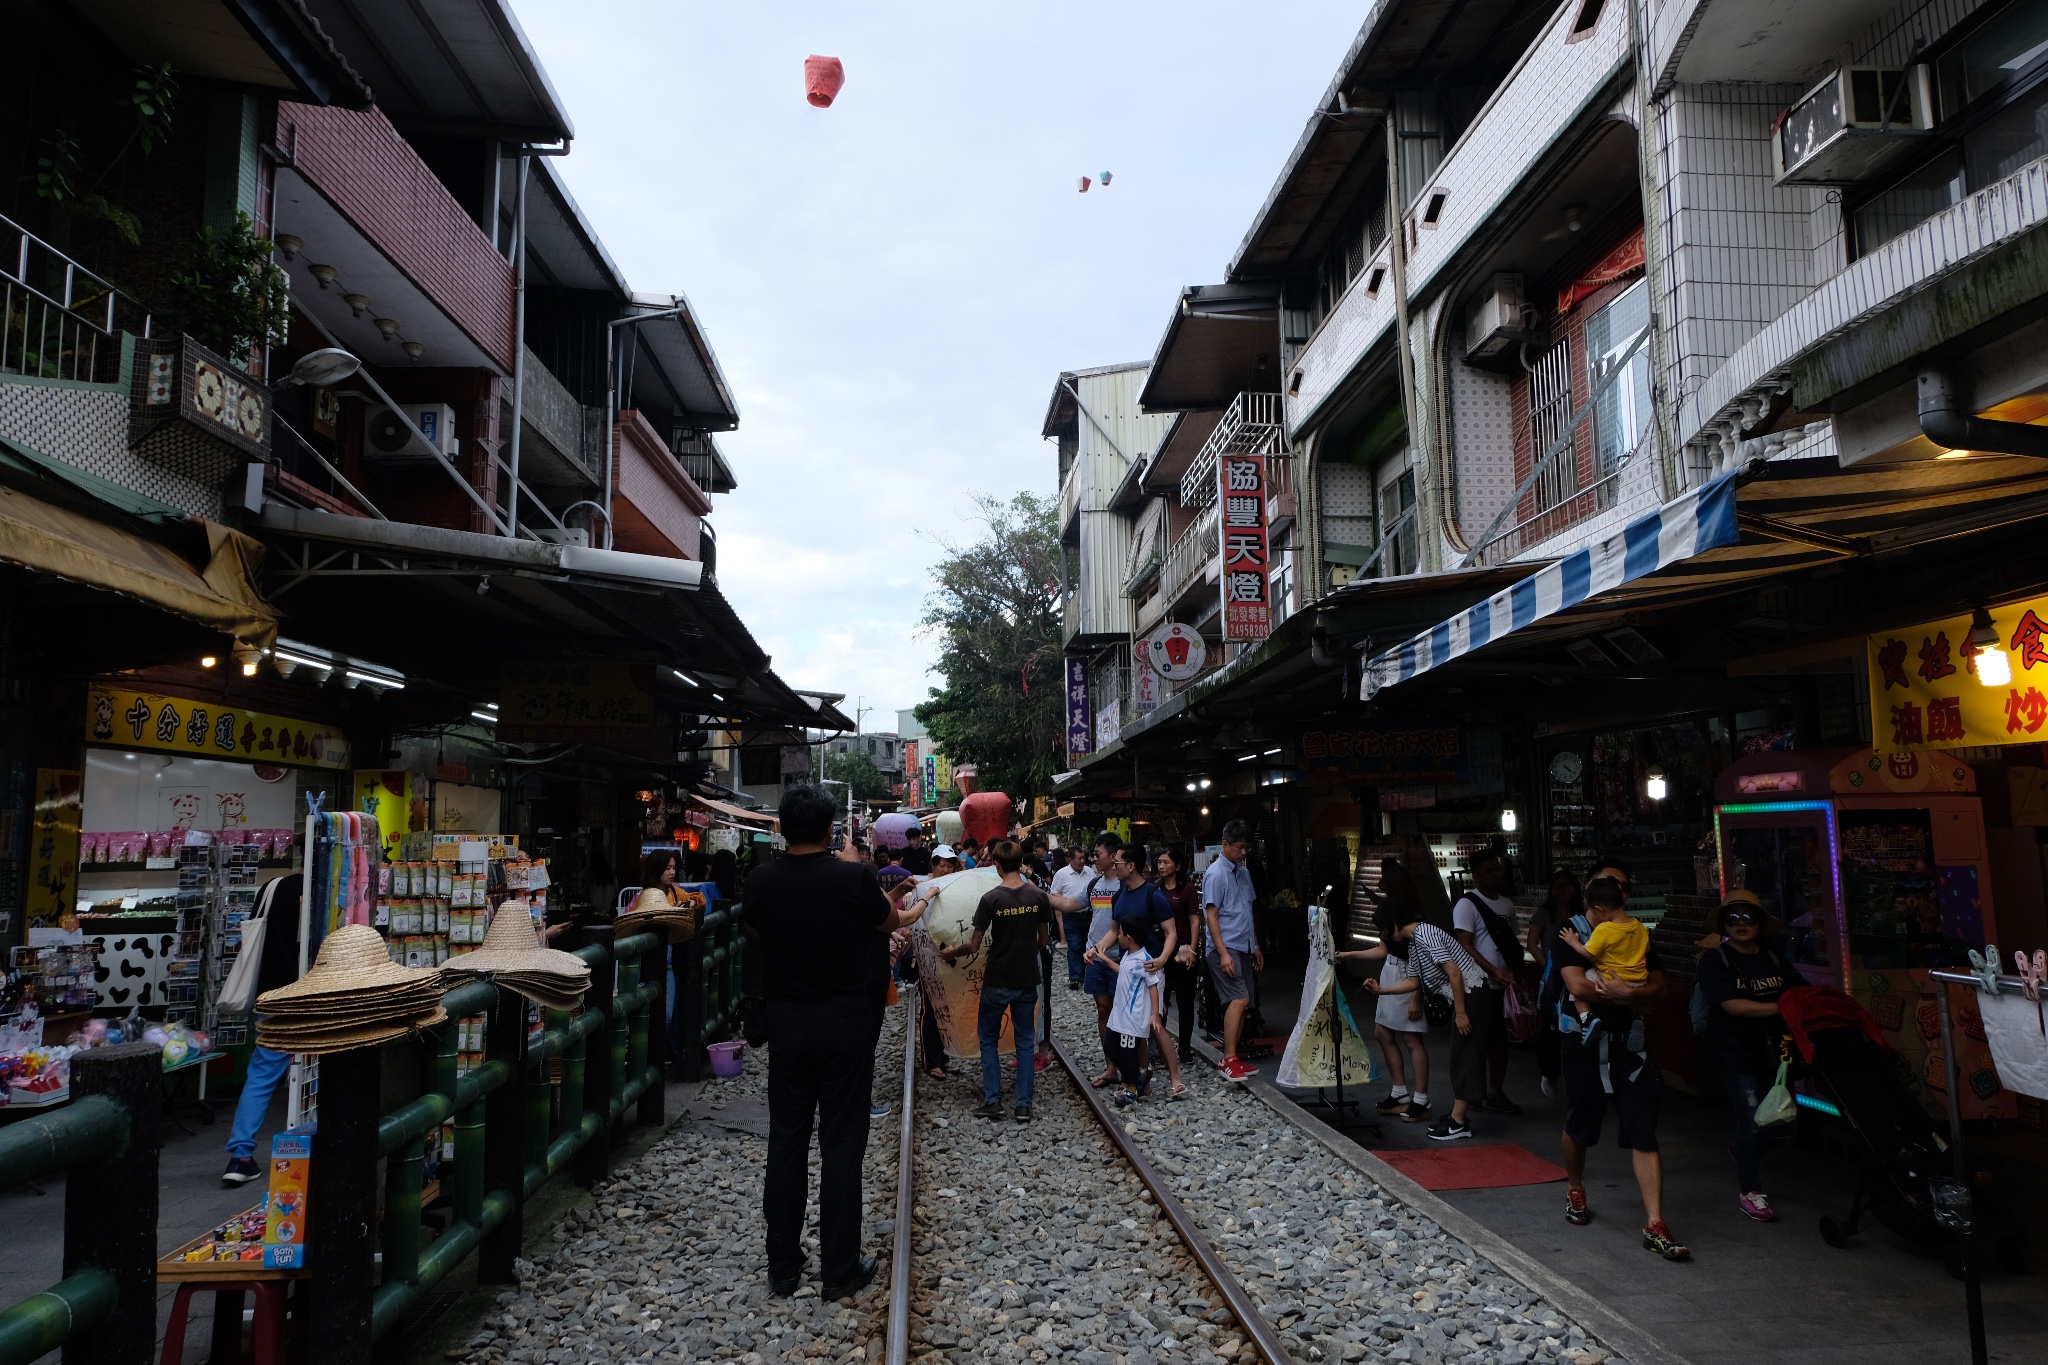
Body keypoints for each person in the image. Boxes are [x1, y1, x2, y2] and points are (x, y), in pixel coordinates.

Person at [747, 785, 926, 1300]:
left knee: (787, 1138)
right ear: (831, 830)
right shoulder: (852, 879)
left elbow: (757, 931)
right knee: (842, 1141)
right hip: (844, 1020)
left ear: (780, 827)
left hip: (786, 1021)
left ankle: (782, 1265)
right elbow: (890, 923)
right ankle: (839, 1267)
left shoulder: (761, 880)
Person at [1550, 874, 1687, 1260]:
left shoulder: (1635, 933)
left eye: (1625, 886)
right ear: (1595, 903)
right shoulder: (1569, 931)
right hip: (1582, 1046)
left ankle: (1655, 1222)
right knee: (1579, 1125)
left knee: (1644, 1130)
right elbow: (1577, 986)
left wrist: (1632, 994)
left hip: (1631, 1049)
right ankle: (1575, 1188)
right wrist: (1630, 998)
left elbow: (1660, 984)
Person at [1694, 890, 1798, 1222]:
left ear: (1760, 924)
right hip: (1736, 1054)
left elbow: (1800, 991)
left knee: (1785, 1126)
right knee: (1752, 1124)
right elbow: (1733, 1006)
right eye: (1733, 919)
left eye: (1748, 918)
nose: (1740, 924)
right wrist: (1781, 1007)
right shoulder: (1715, 960)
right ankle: (1751, 1191)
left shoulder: (1773, 957)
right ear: (1725, 925)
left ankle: (1743, 1150)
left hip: (1776, 1054)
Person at [1348, 900, 1487, 1140]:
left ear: (1393, 923)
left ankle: (1459, 1122)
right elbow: (1414, 981)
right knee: (1461, 1055)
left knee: (1464, 1055)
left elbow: (1454, 972)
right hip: (1464, 995)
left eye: (1382, 928)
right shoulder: (1415, 942)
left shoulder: (1425, 933)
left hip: (1471, 993)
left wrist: (1462, 1013)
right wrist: (1381, 991)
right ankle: (1457, 1118)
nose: (1383, 934)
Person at [939, 839, 1053, 1122]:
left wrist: (952, 951)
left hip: (997, 979)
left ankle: (993, 1101)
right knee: (1026, 1041)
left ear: (998, 865)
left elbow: (974, 945)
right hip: (1027, 979)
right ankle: (1023, 1105)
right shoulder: (1037, 896)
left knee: (988, 1039)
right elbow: (1043, 940)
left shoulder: (991, 899)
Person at [222, 873, 304, 1185]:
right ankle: (311, 1151)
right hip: (315, 995)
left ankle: (240, 1156)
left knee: (261, 1074)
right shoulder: (328, 885)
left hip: (269, 995)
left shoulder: (272, 887)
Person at [1089, 843, 1183, 1099]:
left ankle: (1175, 1078)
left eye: (1118, 862)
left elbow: (1171, 933)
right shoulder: (1118, 895)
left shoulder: (1154, 895)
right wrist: (1097, 949)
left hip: (1151, 970)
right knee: (1134, 1029)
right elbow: (1112, 930)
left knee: (1155, 1026)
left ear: (1130, 866)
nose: (1114, 866)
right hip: (1128, 972)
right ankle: (1144, 1078)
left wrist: (1162, 959)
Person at [1450, 849, 1523, 1115]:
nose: (1497, 874)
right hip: (1478, 984)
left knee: (1499, 1041)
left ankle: (1495, 1091)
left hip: (1503, 984)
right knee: (1475, 1040)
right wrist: (1492, 970)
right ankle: (1473, 1094)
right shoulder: (1466, 904)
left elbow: (1512, 941)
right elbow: (1464, 944)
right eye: (1491, 870)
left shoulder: (1506, 905)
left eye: (1499, 869)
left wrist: (1515, 974)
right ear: (1477, 875)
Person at [1363, 882, 1431, 1123]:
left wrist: (1416, 997)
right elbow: (1385, 949)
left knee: (1412, 1038)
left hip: (1407, 979)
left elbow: (1425, 967)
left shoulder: (1417, 928)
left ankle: (1421, 1099)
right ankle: (1400, 1093)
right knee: (1382, 1033)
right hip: (1393, 975)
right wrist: (1349, 955)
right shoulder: (1393, 917)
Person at [1203, 821, 1264, 1082]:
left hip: (1242, 944)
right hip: (1224, 946)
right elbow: (1211, 916)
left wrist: (1256, 946)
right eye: (1240, 847)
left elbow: (1247, 911)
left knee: (1244, 1002)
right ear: (1225, 845)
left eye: (1247, 848)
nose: (1244, 852)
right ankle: (1229, 1059)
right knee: (1238, 999)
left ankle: (1233, 1058)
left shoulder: (1243, 872)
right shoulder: (1216, 874)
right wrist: (1223, 953)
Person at [1560, 878, 1650, 1038]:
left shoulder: (1605, 929)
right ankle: (1638, 1017)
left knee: (1575, 988)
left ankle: (1586, 1019)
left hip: (1610, 984)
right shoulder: (1639, 926)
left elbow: (1587, 952)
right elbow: (1646, 949)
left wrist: (1573, 941)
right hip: (1638, 984)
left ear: (1599, 909)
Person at [1526, 869, 1585, 1097]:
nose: (1562, 890)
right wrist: (1549, 967)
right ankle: (1549, 1071)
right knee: (1550, 1026)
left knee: (1575, 1024)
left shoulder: (1581, 914)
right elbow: (1532, 943)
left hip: (1577, 973)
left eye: (1567, 885)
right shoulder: (1544, 913)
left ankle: (1573, 1073)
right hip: (1552, 976)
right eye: (1557, 886)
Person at [1078, 833, 1125, 1086]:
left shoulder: (1126, 884)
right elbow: (1069, 903)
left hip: (1122, 958)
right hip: (1095, 957)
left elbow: (1117, 930)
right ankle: (1111, 1067)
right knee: (1103, 1009)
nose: (1093, 858)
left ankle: (1134, 1068)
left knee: (1124, 1012)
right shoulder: (1094, 884)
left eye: (1098, 854)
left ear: (1114, 855)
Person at [1102, 914, 1163, 1107]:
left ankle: (1132, 1086)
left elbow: (1153, 986)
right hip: (1119, 1017)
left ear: (1129, 937)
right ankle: (1137, 1077)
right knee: (1110, 1046)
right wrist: (1103, 958)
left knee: (1128, 1053)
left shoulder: (1144, 960)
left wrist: (1154, 1013)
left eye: (1120, 934)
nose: (1117, 937)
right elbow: (1123, 971)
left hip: (1132, 1018)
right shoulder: (1129, 956)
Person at [1154, 847, 1201, 1060]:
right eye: (1159, 862)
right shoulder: (1155, 889)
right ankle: (1161, 1048)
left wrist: (1192, 948)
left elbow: (1194, 920)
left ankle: (1184, 1047)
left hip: (1182, 951)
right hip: (1161, 951)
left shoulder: (1188, 889)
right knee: (1160, 999)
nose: (1161, 866)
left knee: (1185, 1000)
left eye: (1166, 862)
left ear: (1178, 866)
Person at [1048, 844, 1094, 990]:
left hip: (1088, 914)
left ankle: (1086, 974)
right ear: (1070, 860)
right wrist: (1067, 902)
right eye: (1079, 858)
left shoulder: (1089, 872)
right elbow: (1054, 892)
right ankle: (1074, 977)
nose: (1082, 861)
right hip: (1071, 915)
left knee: (1087, 944)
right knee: (1074, 945)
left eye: (1083, 858)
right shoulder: (1062, 874)